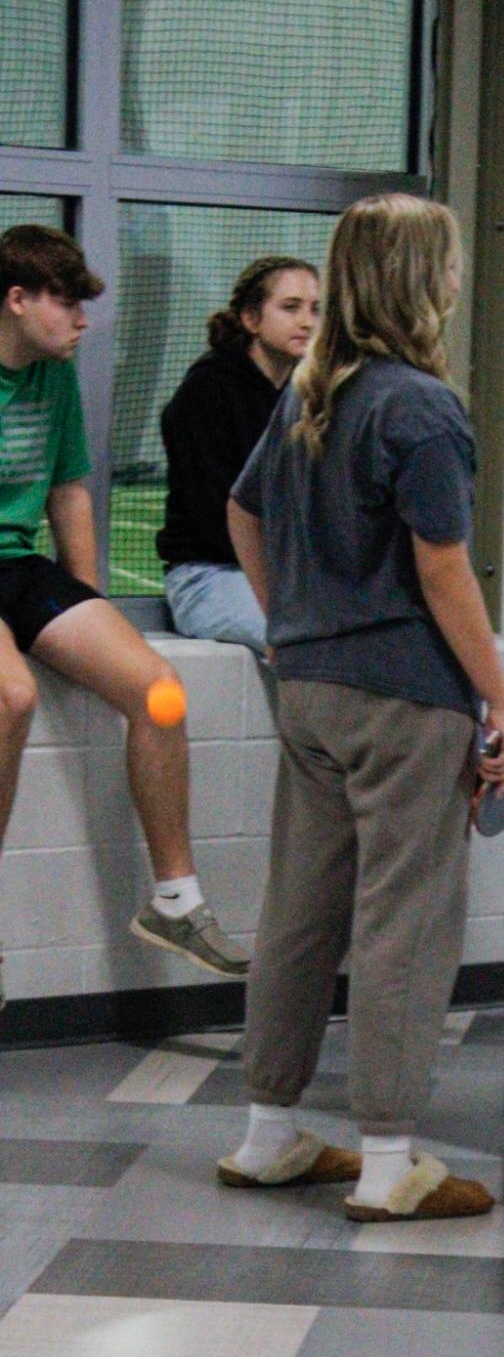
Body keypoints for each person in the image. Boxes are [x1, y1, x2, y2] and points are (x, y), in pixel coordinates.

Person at [219, 192, 504, 1221]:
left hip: (306, 691)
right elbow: (443, 571)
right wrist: (497, 698)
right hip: (403, 700)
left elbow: (241, 509)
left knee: (298, 913)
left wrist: (295, 620)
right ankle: (390, 1163)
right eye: (444, 266)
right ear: (420, 281)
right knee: (405, 923)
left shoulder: (311, 387)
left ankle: (268, 1136)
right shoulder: (420, 407)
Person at [0, 223, 250, 1006]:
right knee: (13, 696)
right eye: (67, 304)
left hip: (16, 565)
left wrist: (87, 607)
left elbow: (69, 489)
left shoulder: (54, 379)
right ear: (16, 299)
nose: (81, 321)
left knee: (157, 688)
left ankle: (174, 898)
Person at [156, 255, 320, 654]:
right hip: (208, 577)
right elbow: (215, 517)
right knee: (304, 641)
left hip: (284, 576)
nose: (307, 322)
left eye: (316, 309)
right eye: (290, 307)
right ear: (251, 319)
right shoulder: (207, 390)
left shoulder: (307, 394)